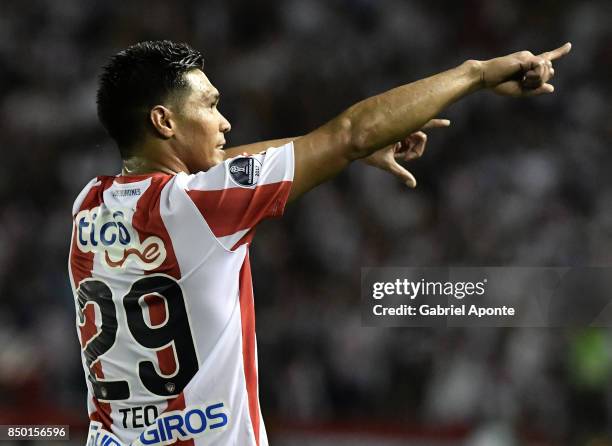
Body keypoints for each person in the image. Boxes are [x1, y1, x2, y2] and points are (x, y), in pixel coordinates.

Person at [68, 40, 571, 446]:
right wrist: (476, 73)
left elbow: (228, 170)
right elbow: (351, 132)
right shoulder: (202, 207)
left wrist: (333, 156)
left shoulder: (88, 204)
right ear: (164, 121)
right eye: (211, 105)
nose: (224, 122)